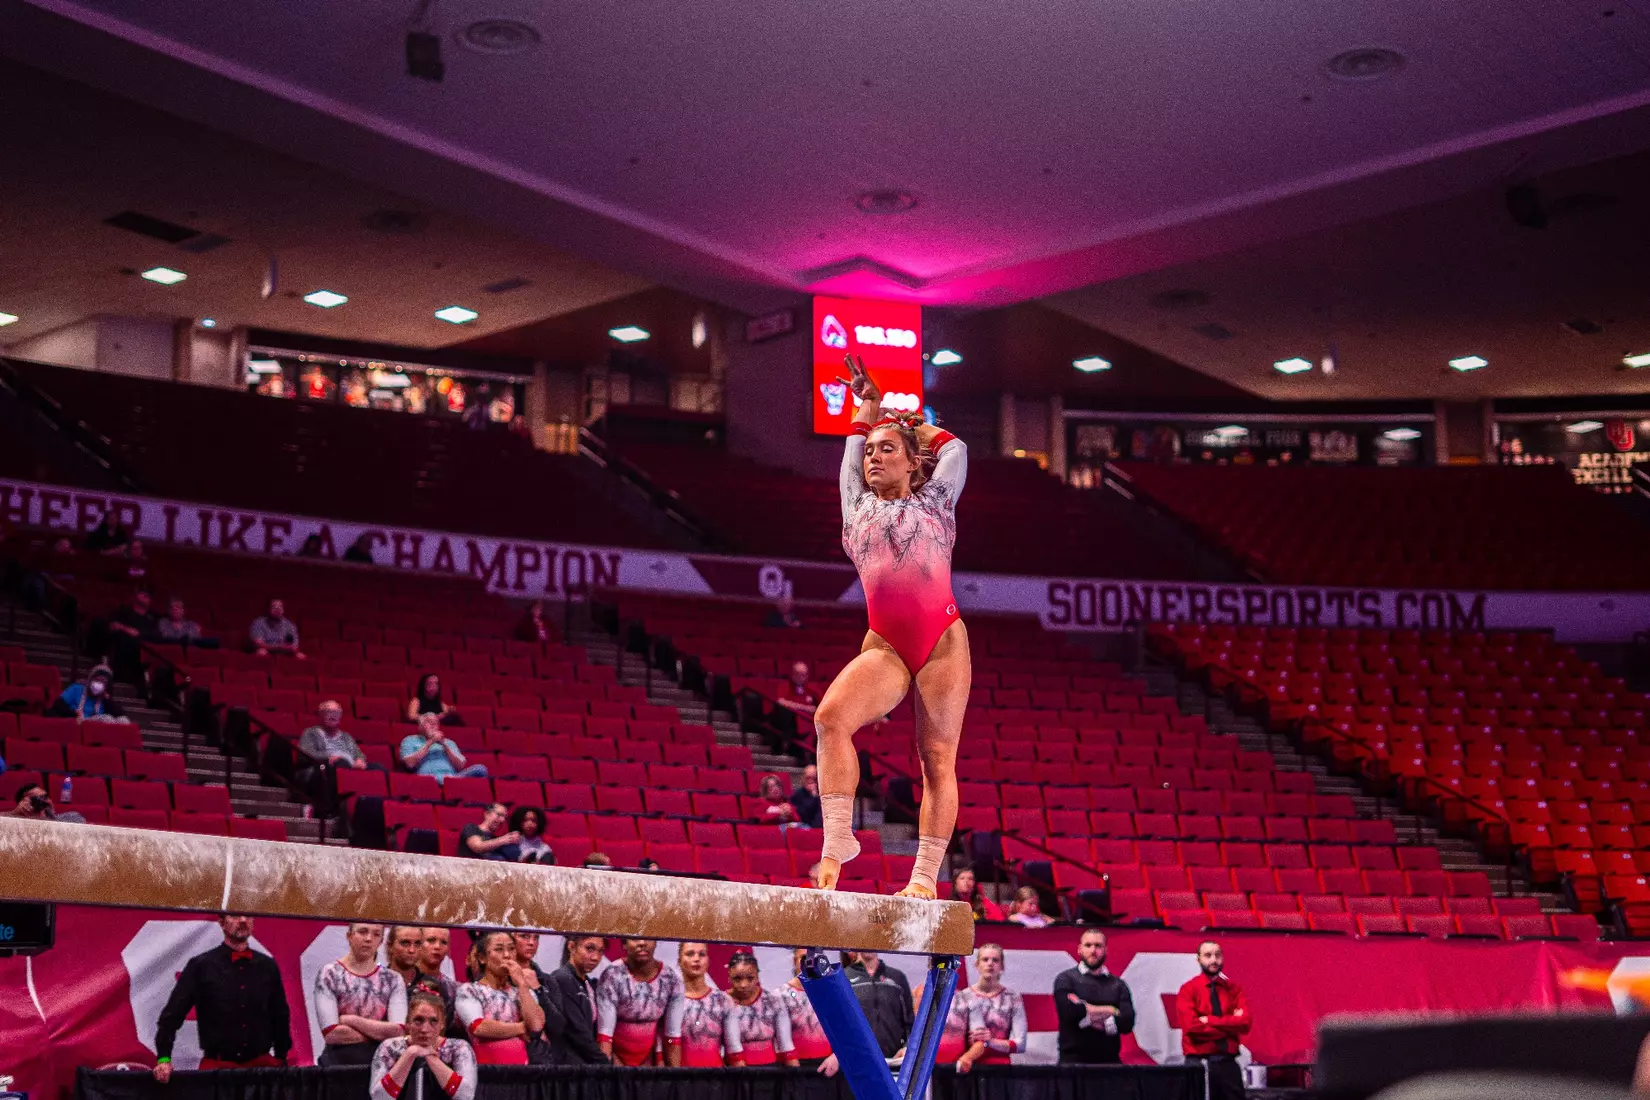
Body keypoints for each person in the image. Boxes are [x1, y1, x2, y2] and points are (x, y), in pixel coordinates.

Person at [816, 354, 970, 898]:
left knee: (936, 759)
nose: (873, 457)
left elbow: (956, 449)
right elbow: (849, 450)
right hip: (885, 647)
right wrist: (869, 406)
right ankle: (838, 840)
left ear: (912, 463)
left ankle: (925, 878)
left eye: (888, 451)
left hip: (943, 643)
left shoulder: (938, 501)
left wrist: (910, 423)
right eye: (871, 451)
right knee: (830, 719)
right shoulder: (854, 506)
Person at [153, 914, 292, 1078]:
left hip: (262, 1070)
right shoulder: (201, 966)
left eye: (247, 915)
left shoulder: (268, 966)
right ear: (221, 923)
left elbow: (280, 1016)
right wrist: (163, 1058)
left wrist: (281, 1058)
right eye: (234, 915)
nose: (242, 920)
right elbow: (172, 1015)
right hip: (217, 1072)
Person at [314, 923, 408, 1066]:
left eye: (376, 934)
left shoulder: (393, 979)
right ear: (349, 936)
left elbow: (398, 1032)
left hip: (380, 1066)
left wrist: (351, 1020)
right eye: (363, 932)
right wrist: (380, 1032)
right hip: (337, 1066)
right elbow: (332, 1034)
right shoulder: (329, 974)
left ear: (381, 941)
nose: (369, 939)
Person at [454, 930, 546, 1065]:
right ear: (482, 958)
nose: (507, 955)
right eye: (499, 949)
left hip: (522, 1073)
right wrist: (522, 1028)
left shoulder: (523, 992)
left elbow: (536, 1026)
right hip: (487, 1074)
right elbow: (479, 1027)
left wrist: (521, 983)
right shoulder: (470, 990)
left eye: (511, 949)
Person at [1176, 940, 1251, 1100]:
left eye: (1217, 955)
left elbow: (1244, 1023)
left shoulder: (1234, 989)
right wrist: (1230, 1026)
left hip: (1228, 1065)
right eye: (1208, 955)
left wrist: (1209, 1020)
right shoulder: (1188, 989)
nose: (1213, 960)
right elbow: (1192, 1028)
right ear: (1198, 959)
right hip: (1199, 1064)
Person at [596, 937, 685, 1066]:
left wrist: (675, 1079)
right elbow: (605, 1036)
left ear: (655, 942)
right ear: (624, 944)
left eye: (648, 938)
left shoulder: (671, 979)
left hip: (650, 1060)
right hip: (614, 1060)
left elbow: (673, 1037)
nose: (642, 943)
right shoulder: (611, 975)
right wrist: (607, 1075)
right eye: (635, 938)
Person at [369, 992, 476, 1100]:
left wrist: (431, 1057)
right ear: (408, 1022)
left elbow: (466, 1096)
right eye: (418, 1020)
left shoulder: (459, 1048)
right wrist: (410, 1054)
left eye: (433, 1021)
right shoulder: (390, 1047)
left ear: (442, 1023)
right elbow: (379, 1097)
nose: (424, 1029)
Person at [1053, 929, 1135, 1065]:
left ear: (1105, 950)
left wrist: (1085, 1014)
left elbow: (1126, 1022)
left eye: (1098, 946)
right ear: (1080, 949)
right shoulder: (1065, 979)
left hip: (1110, 1063)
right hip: (1072, 1063)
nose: (1093, 950)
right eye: (1088, 945)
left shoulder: (1119, 985)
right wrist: (1111, 1010)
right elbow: (1068, 1013)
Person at [954, 944, 1028, 1074]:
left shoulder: (1012, 998)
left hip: (1000, 1068)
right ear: (977, 965)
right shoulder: (963, 996)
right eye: (985, 959)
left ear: (1002, 966)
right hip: (968, 1066)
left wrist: (990, 1042)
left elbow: (1020, 1045)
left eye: (995, 960)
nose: (990, 964)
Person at [727, 950, 798, 1067]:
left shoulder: (773, 1001)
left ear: (757, 977)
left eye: (750, 978)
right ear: (729, 976)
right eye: (737, 979)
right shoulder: (722, 1002)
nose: (744, 985)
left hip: (770, 1072)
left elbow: (786, 1045)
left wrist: (796, 1078)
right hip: (736, 1073)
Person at [544, 934, 606, 1065]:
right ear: (571, 947)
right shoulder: (562, 979)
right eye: (590, 949)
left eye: (600, 951)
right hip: (568, 1069)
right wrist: (605, 1063)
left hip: (582, 1064)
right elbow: (576, 1031)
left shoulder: (587, 983)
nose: (596, 957)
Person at [677, 942, 738, 1067]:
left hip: (716, 1080)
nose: (696, 959)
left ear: (708, 960)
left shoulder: (723, 1000)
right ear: (679, 960)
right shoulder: (671, 1000)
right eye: (690, 954)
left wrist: (744, 1084)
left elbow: (734, 1050)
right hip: (680, 1080)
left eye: (702, 954)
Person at [846, 950, 911, 1062]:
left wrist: (907, 1047)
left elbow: (910, 1022)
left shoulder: (897, 978)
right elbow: (837, 1024)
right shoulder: (844, 978)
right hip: (856, 1063)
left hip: (893, 1062)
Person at [512, 931, 566, 1065]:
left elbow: (558, 1026)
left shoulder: (548, 981)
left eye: (536, 938)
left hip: (546, 1061)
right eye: (524, 936)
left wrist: (538, 989)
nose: (531, 943)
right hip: (512, 1057)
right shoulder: (500, 977)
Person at [782, 948, 837, 1074]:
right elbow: (783, 1039)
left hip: (830, 1065)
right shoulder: (781, 994)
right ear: (794, 960)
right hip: (797, 1067)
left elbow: (842, 1029)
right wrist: (796, 1071)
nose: (809, 963)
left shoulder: (832, 992)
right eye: (803, 958)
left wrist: (837, 1056)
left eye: (814, 959)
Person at [400, 713, 487, 784]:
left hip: (452, 778)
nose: (433, 725)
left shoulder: (448, 742)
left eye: (435, 723)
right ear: (420, 726)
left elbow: (460, 766)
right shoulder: (410, 740)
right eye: (429, 722)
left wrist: (444, 745)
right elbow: (409, 764)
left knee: (480, 769)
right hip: (428, 778)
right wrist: (430, 742)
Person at [100, 589, 157, 682]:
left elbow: (150, 635)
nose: (145, 596)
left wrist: (136, 633)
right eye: (142, 594)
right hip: (124, 648)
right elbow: (113, 625)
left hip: (143, 650)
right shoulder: (123, 613)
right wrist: (126, 629)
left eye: (148, 596)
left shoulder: (151, 619)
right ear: (135, 596)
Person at [50, 664, 127, 722]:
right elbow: (58, 705)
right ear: (90, 680)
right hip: (74, 723)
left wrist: (107, 700)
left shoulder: (104, 699)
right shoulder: (76, 688)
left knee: (122, 720)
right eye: (97, 680)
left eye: (103, 682)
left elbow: (118, 714)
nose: (99, 684)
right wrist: (74, 714)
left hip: (94, 729)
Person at [786, 763, 823, 828]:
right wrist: (813, 797)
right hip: (803, 827)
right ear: (803, 778)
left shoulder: (822, 794)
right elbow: (803, 816)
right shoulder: (797, 795)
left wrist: (815, 797)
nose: (811, 781)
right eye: (808, 778)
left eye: (814, 778)